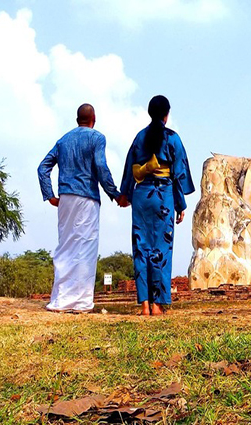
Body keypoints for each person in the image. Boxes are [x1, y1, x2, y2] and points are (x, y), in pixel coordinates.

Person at [38, 104, 128, 313]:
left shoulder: (63, 140)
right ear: (93, 119)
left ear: (77, 119)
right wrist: (115, 194)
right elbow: (101, 167)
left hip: (66, 198)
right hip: (87, 197)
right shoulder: (97, 138)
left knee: (66, 245)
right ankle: (81, 302)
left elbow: (43, 167)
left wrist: (49, 195)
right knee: (85, 247)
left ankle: (60, 300)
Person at [120, 95, 195, 316]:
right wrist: (180, 204)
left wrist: (125, 195)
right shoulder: (173, 138)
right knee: (162, 250)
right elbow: (178, 175)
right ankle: (157, 305)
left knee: (141, 248)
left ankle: (144, 305)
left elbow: (129, 170)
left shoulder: (139, 137)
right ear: (166, 114)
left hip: (142, 196)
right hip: (164, 195)